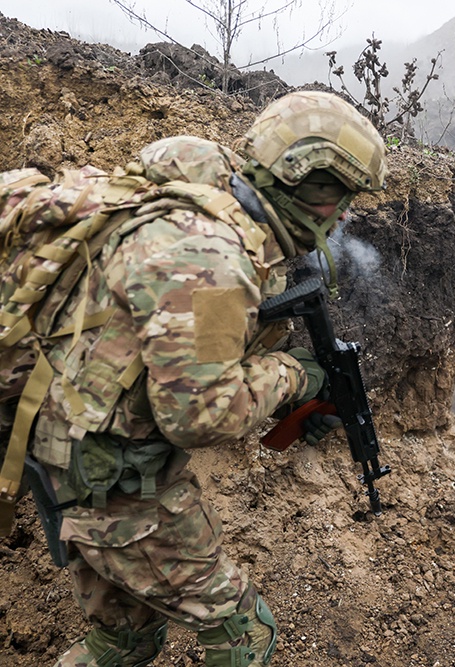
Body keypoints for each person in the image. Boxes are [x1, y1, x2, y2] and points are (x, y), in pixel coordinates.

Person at [0, 91, 386, 666]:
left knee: (125, 640)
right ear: (313, 187)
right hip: (115, 484)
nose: (346, 215)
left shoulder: (200, 183)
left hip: (61, 433)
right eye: (341, 198)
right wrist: (292, 377)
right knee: (242, 634)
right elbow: (200, 416)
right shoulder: (210, 259)